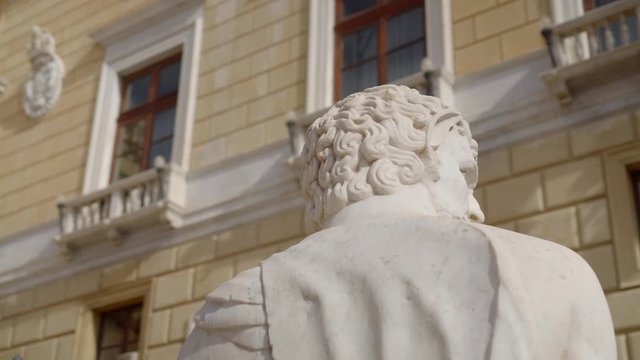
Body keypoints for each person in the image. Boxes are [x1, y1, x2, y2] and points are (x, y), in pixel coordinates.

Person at [178, 85, 616, 360]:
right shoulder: (555, 271)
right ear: (419, 155)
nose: (477, 209)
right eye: (464, 174)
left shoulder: (233, 308)